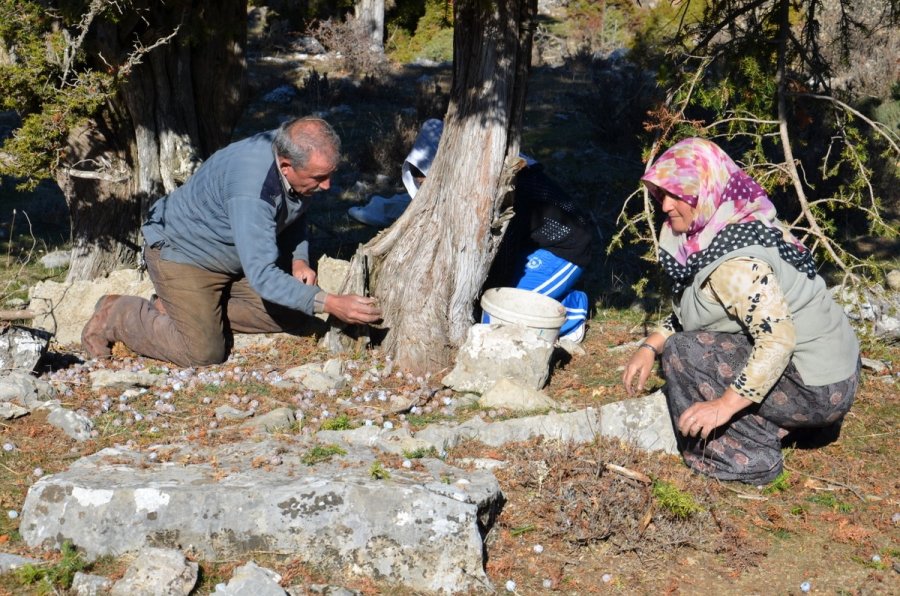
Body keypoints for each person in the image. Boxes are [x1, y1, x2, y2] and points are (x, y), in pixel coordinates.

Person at [622, 137, 860, 485]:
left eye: (677, 195)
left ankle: (743, 460)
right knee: (675, 345)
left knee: (683, 352)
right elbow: (704, 311)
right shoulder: (729, 222)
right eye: (662, 194)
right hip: (832, 370)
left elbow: (778, 340)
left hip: (819, 387)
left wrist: (725, 406)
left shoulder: (735, 262)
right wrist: (649, 346)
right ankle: (777, 425)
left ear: (705, 192)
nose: (665, 205)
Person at [81, 116, 382, 367]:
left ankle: (181, 309)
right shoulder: (252, 189)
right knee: (204, 352)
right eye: (319, 178)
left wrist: (299, 258)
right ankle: (118, 313)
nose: (327, 186)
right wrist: (330, 303)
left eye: (330, 175)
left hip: (235, 257)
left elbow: (295, 208)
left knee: (297, 310)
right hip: (183, 255)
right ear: (287, 165)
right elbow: (263, 275)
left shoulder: (289, 159)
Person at [349, 119, 593, 341]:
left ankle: (572, 310)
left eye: (429, 182)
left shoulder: (505, 188)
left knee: (498, 322)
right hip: (529, 248)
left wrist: (479, 296)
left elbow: (502, 253)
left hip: (563, 251)